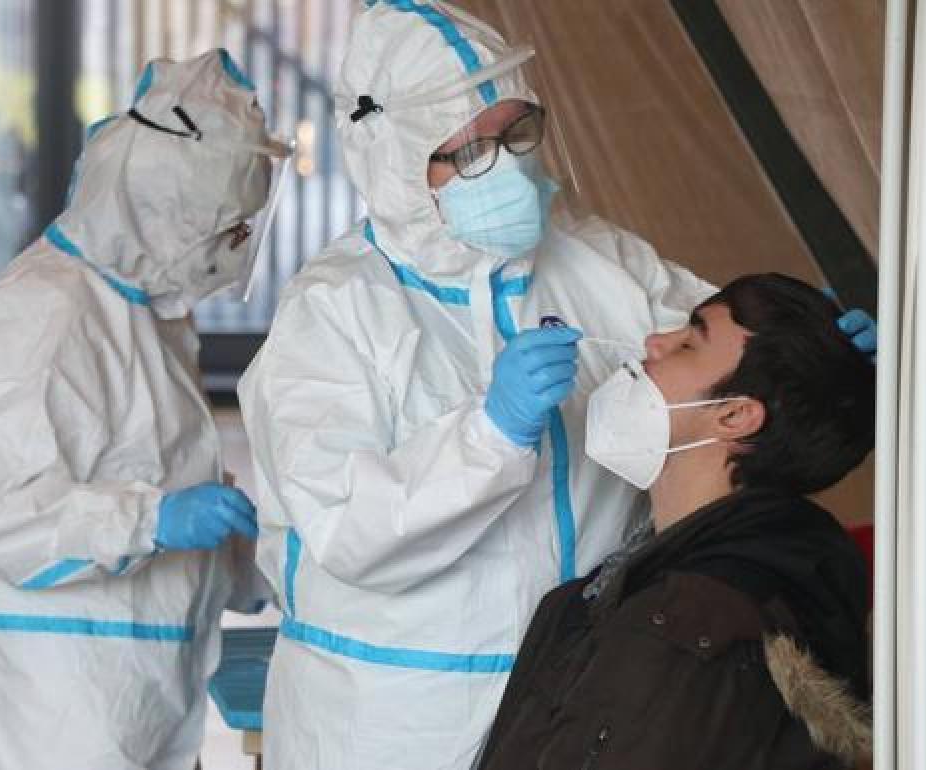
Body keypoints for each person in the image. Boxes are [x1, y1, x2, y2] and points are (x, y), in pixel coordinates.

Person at [238, 3, 875, 769]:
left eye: (516, 134)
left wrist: (818, 356)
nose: (506, 167)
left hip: (584, 692)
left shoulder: (591, 255)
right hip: (394, 721)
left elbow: (717, 356)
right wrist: (489, 436)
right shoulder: (334, 310)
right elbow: (346, 527)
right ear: (397, 160)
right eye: (470, 151)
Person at [0, 50, 288, 770]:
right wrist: (155, 519)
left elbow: (144, 479)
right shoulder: (43, 313)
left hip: (132, 703)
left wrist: (253, 563)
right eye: (229, 228)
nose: (235, 248)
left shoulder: (147, 312)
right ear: (168, 211)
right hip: (48, 716)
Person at [477, 273, 873, 769]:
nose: (654, 342)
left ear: (735, 416)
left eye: (688, 343)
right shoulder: (637, 590)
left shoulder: (692, 621)